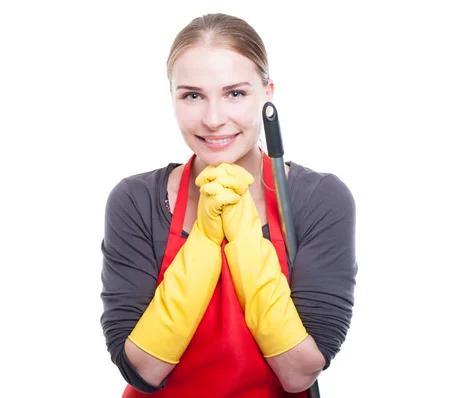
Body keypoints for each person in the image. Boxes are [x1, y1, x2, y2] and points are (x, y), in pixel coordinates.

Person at [100, 12, 358, 398]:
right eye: (192, 95)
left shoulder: (320, 199)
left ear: (267, 93)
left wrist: (243, 237)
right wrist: (204, 238)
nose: (213, 119)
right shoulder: (134, 200)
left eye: (235, 93)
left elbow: (299, 372)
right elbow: (143, 369)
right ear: (172, 98)